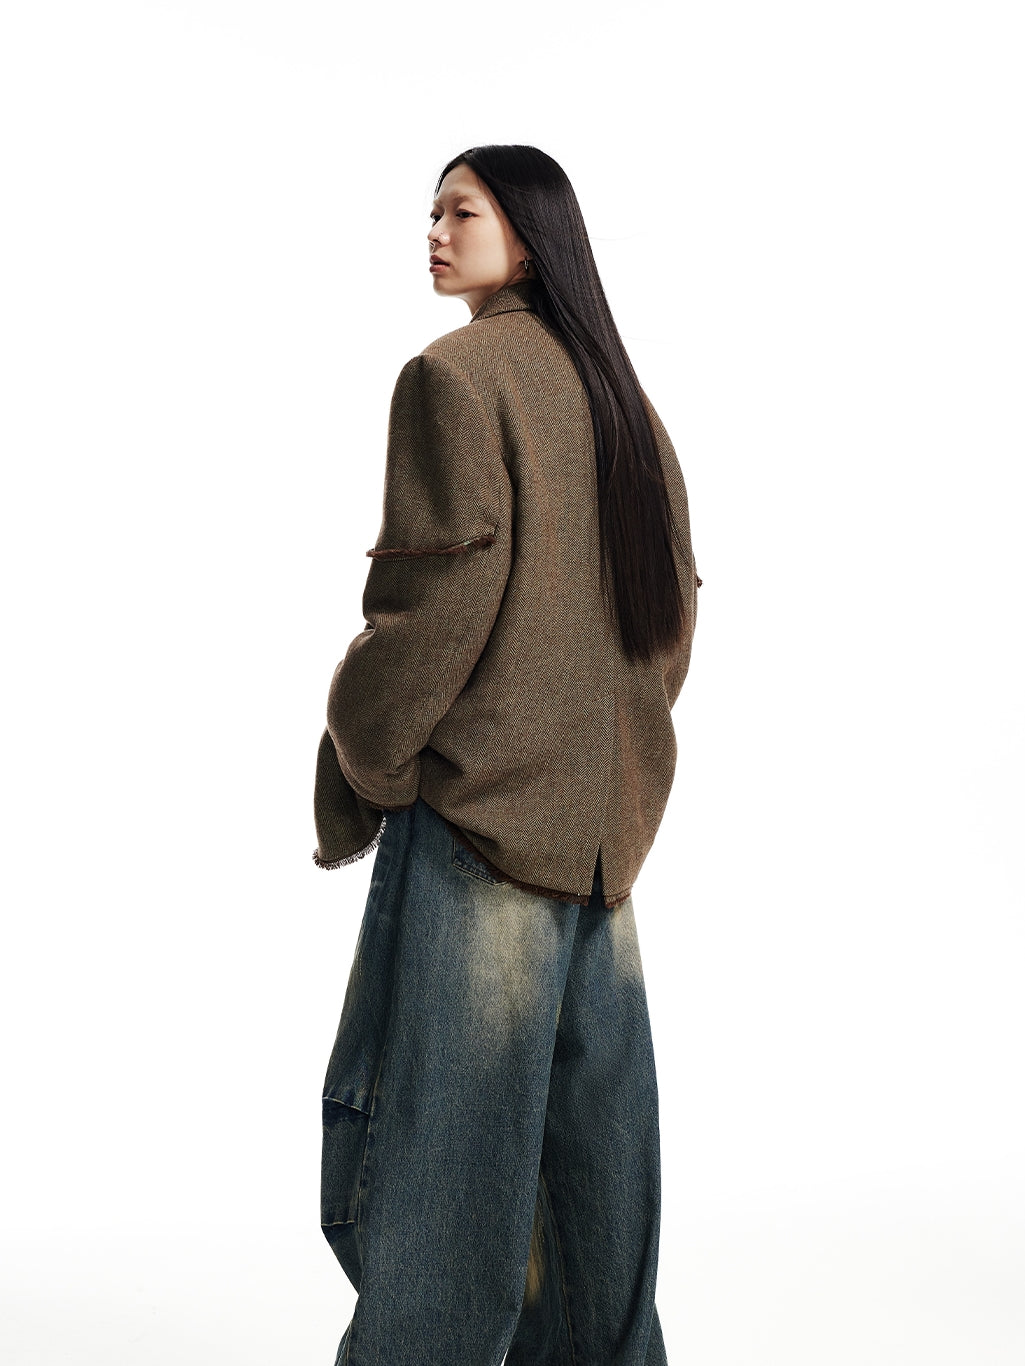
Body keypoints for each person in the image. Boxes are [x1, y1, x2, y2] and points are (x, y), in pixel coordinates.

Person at [311, 144, 701, 1366]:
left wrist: (370, 763)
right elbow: (669, 621)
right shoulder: (623, 398)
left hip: (477, 832)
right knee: (596, 1200)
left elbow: (429, 616)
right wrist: (602, 762)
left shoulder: (454, 378)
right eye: (430, 211)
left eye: (460, 211)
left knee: (437, 1188)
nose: (433, 231)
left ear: (528, 233)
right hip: (598, 849)